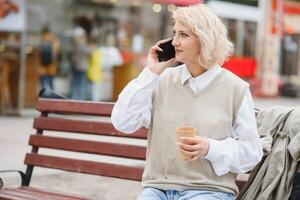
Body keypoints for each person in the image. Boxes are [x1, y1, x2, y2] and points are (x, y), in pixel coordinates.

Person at [111, 4, 263, 200]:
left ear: (204, 39)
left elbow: (251, 153)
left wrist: (210, 148)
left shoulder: (235, 89)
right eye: (174, 34)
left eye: (183, 35)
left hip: (209, 191)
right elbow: (122, 122)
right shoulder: (162, 80)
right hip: (158, 189)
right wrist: (150, 73)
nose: (174, 42)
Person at [39, 26, 60, 91]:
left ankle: (42, 97)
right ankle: (52, 97)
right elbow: (57, 52)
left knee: (42, 84)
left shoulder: (41, 39)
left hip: (42, 65)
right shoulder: (54, 40)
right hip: (51, 65)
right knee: (51, 83)